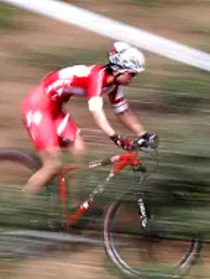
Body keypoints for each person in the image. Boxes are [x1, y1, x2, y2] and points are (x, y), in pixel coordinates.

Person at [19, 40, 152, 198]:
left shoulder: (113, 84)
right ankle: (21, 205)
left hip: (55, 108)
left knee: (80, 153)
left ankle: (72, 206)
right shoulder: (96, 78)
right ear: (118, 70)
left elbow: (122, 111)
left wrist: (143, 133)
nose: (133, 78)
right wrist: (115, 136)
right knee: (53, 165)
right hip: (38, 107)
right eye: (132, 74)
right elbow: (97, 113)